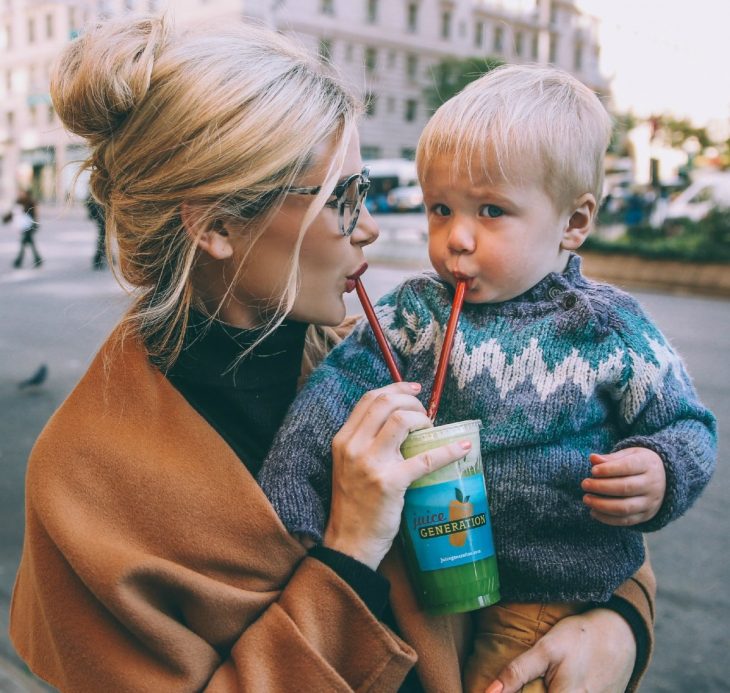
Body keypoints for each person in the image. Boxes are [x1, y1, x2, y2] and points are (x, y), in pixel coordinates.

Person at [10, 18, 655, 692]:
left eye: (365, 191)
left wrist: (615, 625)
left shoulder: (374, 354)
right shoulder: (82, 478)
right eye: (341, 199)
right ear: (218, 225)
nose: (370, 227)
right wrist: (349, 547)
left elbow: (570, 502)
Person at [258, 65, 717, 691]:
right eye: (440, 209)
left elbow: (684, 423)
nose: (458, 238)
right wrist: (291, 522)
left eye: (492, 211)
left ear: (574, 224)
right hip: (433, 581)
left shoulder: (606, 327)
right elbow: (323, 412)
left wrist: (662, 471)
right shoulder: (412, 316)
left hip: (555, 595)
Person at [2, 189, 42, 268]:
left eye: (22, 193)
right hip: (23, 226)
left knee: (24, 244)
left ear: (27, 194)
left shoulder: (31, 202)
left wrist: (35, 223)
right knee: (29, 244)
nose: (21, 194)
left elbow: (35, 214)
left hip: (30, 226)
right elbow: (13, 212)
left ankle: (19, 261)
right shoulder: (18, 201)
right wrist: (6, 218)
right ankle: (37, 260)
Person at [85, 193, 107, 269]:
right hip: (102, 216)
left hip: (103, 216)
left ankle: (102, 257)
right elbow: (89, 201)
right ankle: (99, 258)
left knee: (103, 236)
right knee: (103, 237)